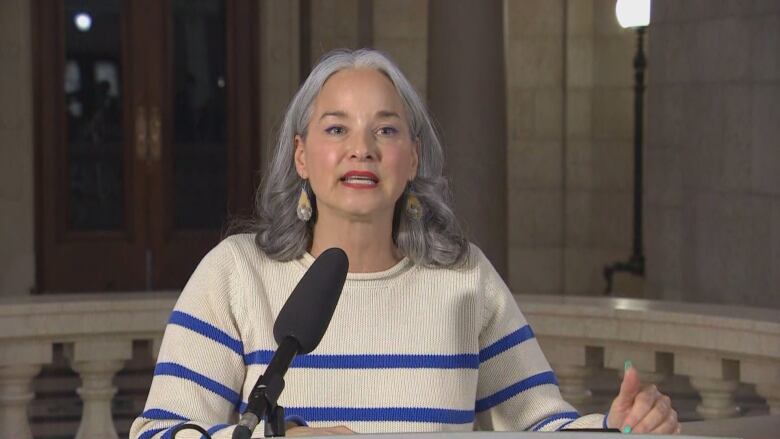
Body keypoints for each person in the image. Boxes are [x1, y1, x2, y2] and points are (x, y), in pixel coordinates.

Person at [130, 49, 679, 438]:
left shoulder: (465, 278)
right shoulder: (235, 274)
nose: (362, 149)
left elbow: (540, 422)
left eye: (386, 129)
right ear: (301, 155)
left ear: (412, 158)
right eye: (336, 129)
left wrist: (618, 427)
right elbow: (157, 432)